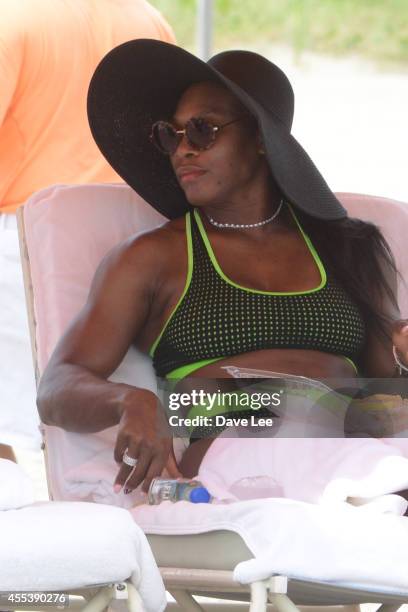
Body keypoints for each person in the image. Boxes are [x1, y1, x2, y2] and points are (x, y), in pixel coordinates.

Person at [37, 39, 408, 495]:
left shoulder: (351, 248)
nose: (182, 150)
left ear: (260, 139)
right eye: (170, 135)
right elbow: (57, 385)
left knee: (368, 464)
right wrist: (128, 400)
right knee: (312, 445)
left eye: (202, 130)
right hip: (237, 452)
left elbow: (386, 393)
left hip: (349, 441)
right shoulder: (153, 258)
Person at [0, 2, 175, 459]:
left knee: (9, 430)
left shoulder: (12, 18)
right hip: (124, 238)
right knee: (88, 440)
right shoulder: (145, 17)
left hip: (24, 239)